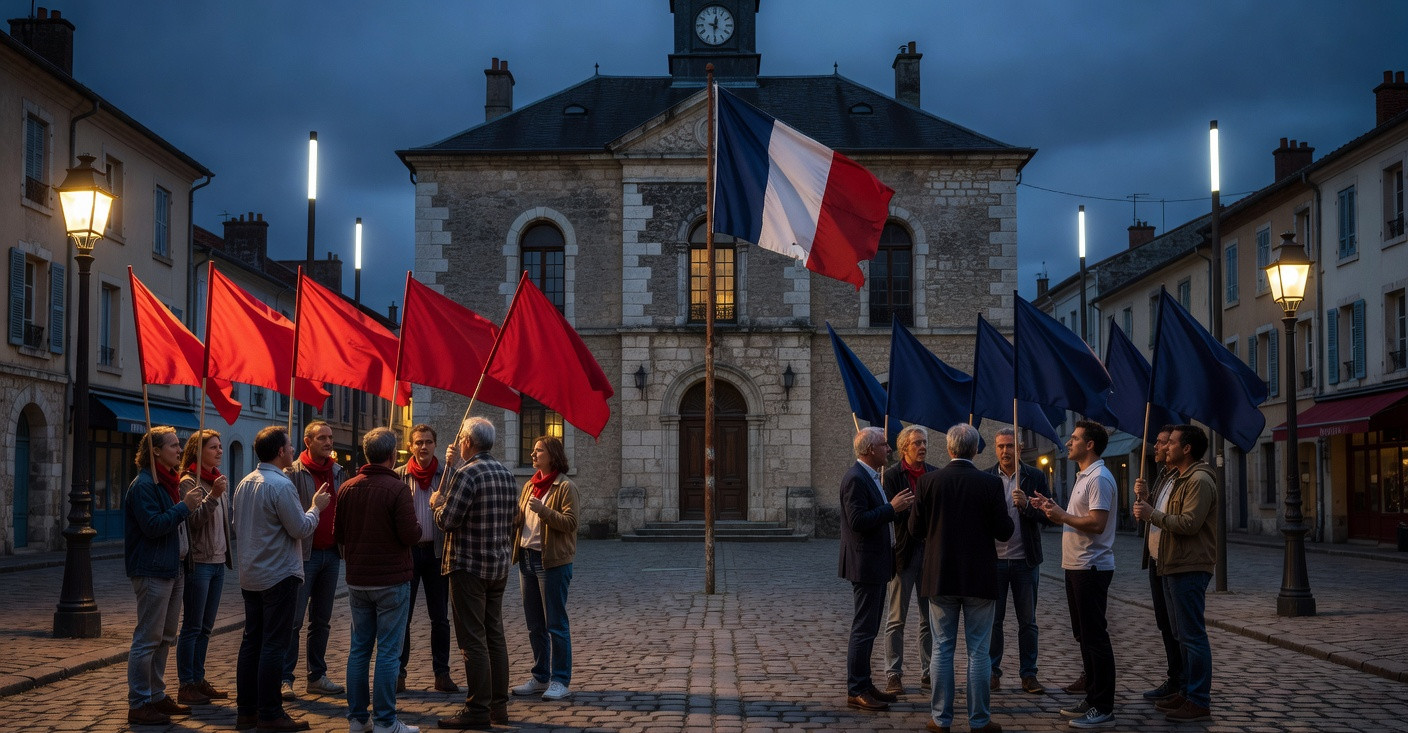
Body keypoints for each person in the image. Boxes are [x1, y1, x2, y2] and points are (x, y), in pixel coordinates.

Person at [909, 423, 1014, 733]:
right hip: (979, 577)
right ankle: (979, 720)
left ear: (950, 449)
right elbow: (1004, 531)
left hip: (940, 576)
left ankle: (941, 719)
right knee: (978, 650)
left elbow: (915, 530)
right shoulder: (990, 484)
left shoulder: (928, 482)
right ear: (975, 449)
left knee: (942, 648)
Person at [233, 426, 330, 733]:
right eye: (289, 447)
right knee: (274, 645)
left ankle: (246, 711)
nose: (292, 451)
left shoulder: (245, 482)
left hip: (251, 574)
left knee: (251, 643)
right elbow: (300, 528)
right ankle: (270, 713)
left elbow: (238, 523)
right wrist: (316, 507)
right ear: (279, 452)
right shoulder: (281, 484)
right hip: (278, 574)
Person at [1031, 420, 1117, 729]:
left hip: (1092, 566)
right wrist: (1051, 509)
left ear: (1090, 444)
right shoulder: (1084, 476)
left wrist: (1062, 515)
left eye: (1075, 438)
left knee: (1095, 637)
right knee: (1083, 635)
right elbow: (1078, 518)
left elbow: (1096, 523)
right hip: (1076, 565)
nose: (1069, 442)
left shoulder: (1100, 478)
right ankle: (1092, 697)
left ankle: (1104, 706)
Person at [336, 427, 422, 733]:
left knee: (359, 648)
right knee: (388, 651)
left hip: (358, 580)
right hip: (391, 580)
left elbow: (339, 535)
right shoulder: (397, 489)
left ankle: (358, 719)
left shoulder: (348, 487)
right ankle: (386, 721)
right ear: (391, 454)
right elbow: (410, 534)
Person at [435, 417, 517, 729]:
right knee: (494, 634)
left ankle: (477, 709)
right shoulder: (506, 473)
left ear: (469, 442)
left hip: (468, 565)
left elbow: (448, 521)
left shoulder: (467, 474)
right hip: (497, 565)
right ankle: (499, 707)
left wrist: (437, 506)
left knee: (473, 639)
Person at [1132, 424, 1217, 723]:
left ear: (1187, 448)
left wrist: (1151, 514)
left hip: (1189, 565)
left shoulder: (1199, 480)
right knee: (1180, 634)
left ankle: (1198, 699)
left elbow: (1190, 523)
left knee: (1192, 636)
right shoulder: (1178, 476)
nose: (1166, 447)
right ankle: (1185, 690)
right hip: (1170, 563)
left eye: (1172, 443)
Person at [125, 426, 203, 726]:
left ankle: (157, 694)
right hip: (152, 569)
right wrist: (184, 507)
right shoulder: (145, 484)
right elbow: (153, 526)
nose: (179, 450)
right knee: (147, 639)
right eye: (173, 445)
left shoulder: (168, 482)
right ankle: (139, 701)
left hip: (174, 568)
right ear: (155, 451)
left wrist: (187, 506)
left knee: (165, 637)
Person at [838, 426, 912, 712]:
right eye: (884, 444)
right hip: (865, 564)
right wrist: (892, 508)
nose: (889, 449)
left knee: (869, 628)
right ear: (870, 450)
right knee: (863, 629)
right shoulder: (856, 478)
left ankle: (865, 684)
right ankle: (856, 688)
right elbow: (858, 521)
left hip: (877, 562)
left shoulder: (870, 476)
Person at [510, 435, 580, 702]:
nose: (532, 454)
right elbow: (521, 518)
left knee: (556, 624)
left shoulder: (565, 486)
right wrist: (514, 516)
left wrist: (543, 511)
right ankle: (540, 676)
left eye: (538, 451)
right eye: (533, 450)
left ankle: (560, 680)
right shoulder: (530, 485)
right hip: (527, 558)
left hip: (552, 563)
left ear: (552, 455)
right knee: (534, 625)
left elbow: (571, 523)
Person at [986, 428, 1053, 695]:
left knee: (1028, 621)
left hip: (1026, 561)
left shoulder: (1034, 476)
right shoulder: (988, 477)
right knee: (994, 622)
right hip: (995, 561)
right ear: (995, 449)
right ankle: (992, 671)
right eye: (1001, 446)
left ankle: (1029, 674)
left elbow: (1050, 517)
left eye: (1010, 446)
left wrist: (1027, 506)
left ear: (1020, 448)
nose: (1005, 451)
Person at [283, 420, 347, 699]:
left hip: (332, 553)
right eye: (322, 438)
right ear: (308, 441)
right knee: (293, 620)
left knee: (321, 620)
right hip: (303, 554)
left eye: (330, 437)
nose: (329, 442)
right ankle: (284, 678)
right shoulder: (293, 473)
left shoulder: (337, 471)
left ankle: (317, 675)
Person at [394, 424, 457, 694]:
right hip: (407, 553)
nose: (423, 447)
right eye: (418, 442)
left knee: (440, 618)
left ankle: (441, 674)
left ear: (435, 445)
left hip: (437, 553)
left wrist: (442, 502)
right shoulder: (398, 477)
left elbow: (459, 509)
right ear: (410, 446)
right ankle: (398, 674)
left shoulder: (448, 476)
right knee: (402, 618)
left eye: (428, 442)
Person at [176, 429, 233, 705]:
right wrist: (213, 496)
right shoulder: (189, 482)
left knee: (207, 627)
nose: (219, 451)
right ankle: (186, 684)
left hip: (219, 562)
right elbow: (194, 521)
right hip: (199, 562)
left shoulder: (217, 481)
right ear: (198, 451)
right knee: (192, 626)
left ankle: (199, 679)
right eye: (213, 447)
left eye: (221, 447)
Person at [880, 425, 934, 695]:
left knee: (929, 620)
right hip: (904, 554)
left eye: (924, 442)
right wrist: (904, 508)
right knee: (896, 619)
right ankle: (893, 674)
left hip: (931, 555)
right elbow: (889, 514)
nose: (922, 447)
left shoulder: (934, 474)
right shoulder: (891, 477)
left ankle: (928, 672)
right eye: (916, 443)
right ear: (904, 448)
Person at [1131, 426, 1183, 704]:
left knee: (1180, 628)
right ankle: (1175, 678)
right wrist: (1146, 497)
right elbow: (1155, 512)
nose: (1158, 448)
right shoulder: (1164, 475)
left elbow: (1183, 520)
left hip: (1173, 561)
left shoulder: (1188, 477)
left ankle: (1186, 685)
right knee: (1165, 623)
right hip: (1155, 560)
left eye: (1164, 443)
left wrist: (1151, 511)